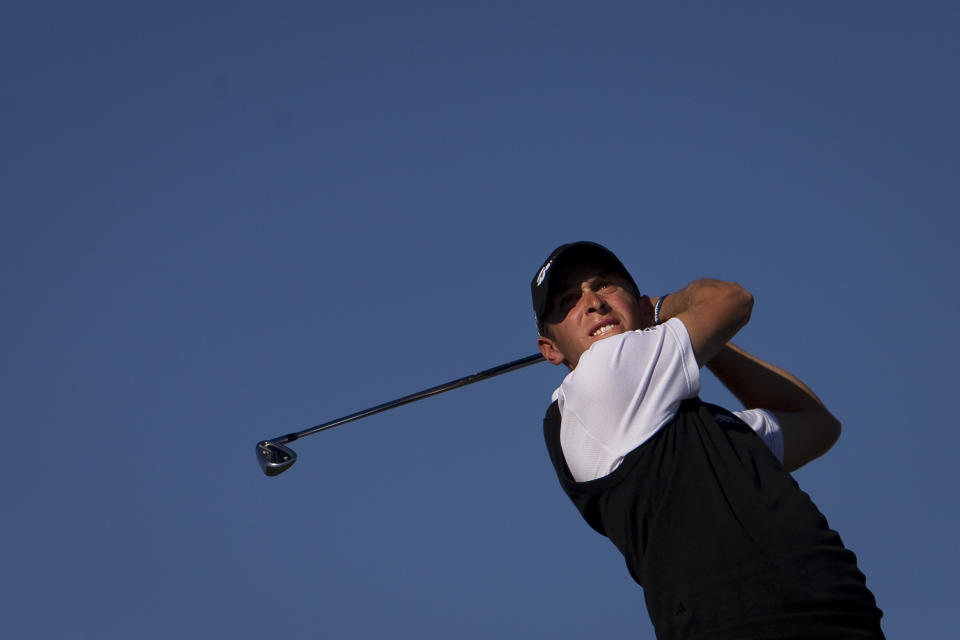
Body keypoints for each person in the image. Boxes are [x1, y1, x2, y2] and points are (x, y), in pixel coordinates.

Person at [532, 241, 884, 640]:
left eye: (605, 285)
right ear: (551, 350)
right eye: (568, 301)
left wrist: (702, 341)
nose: (593, 302)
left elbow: (816, 424)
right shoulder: (598, 377)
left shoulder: (703, 427)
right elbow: (730, 299)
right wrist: (669, 310)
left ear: (640, 307)